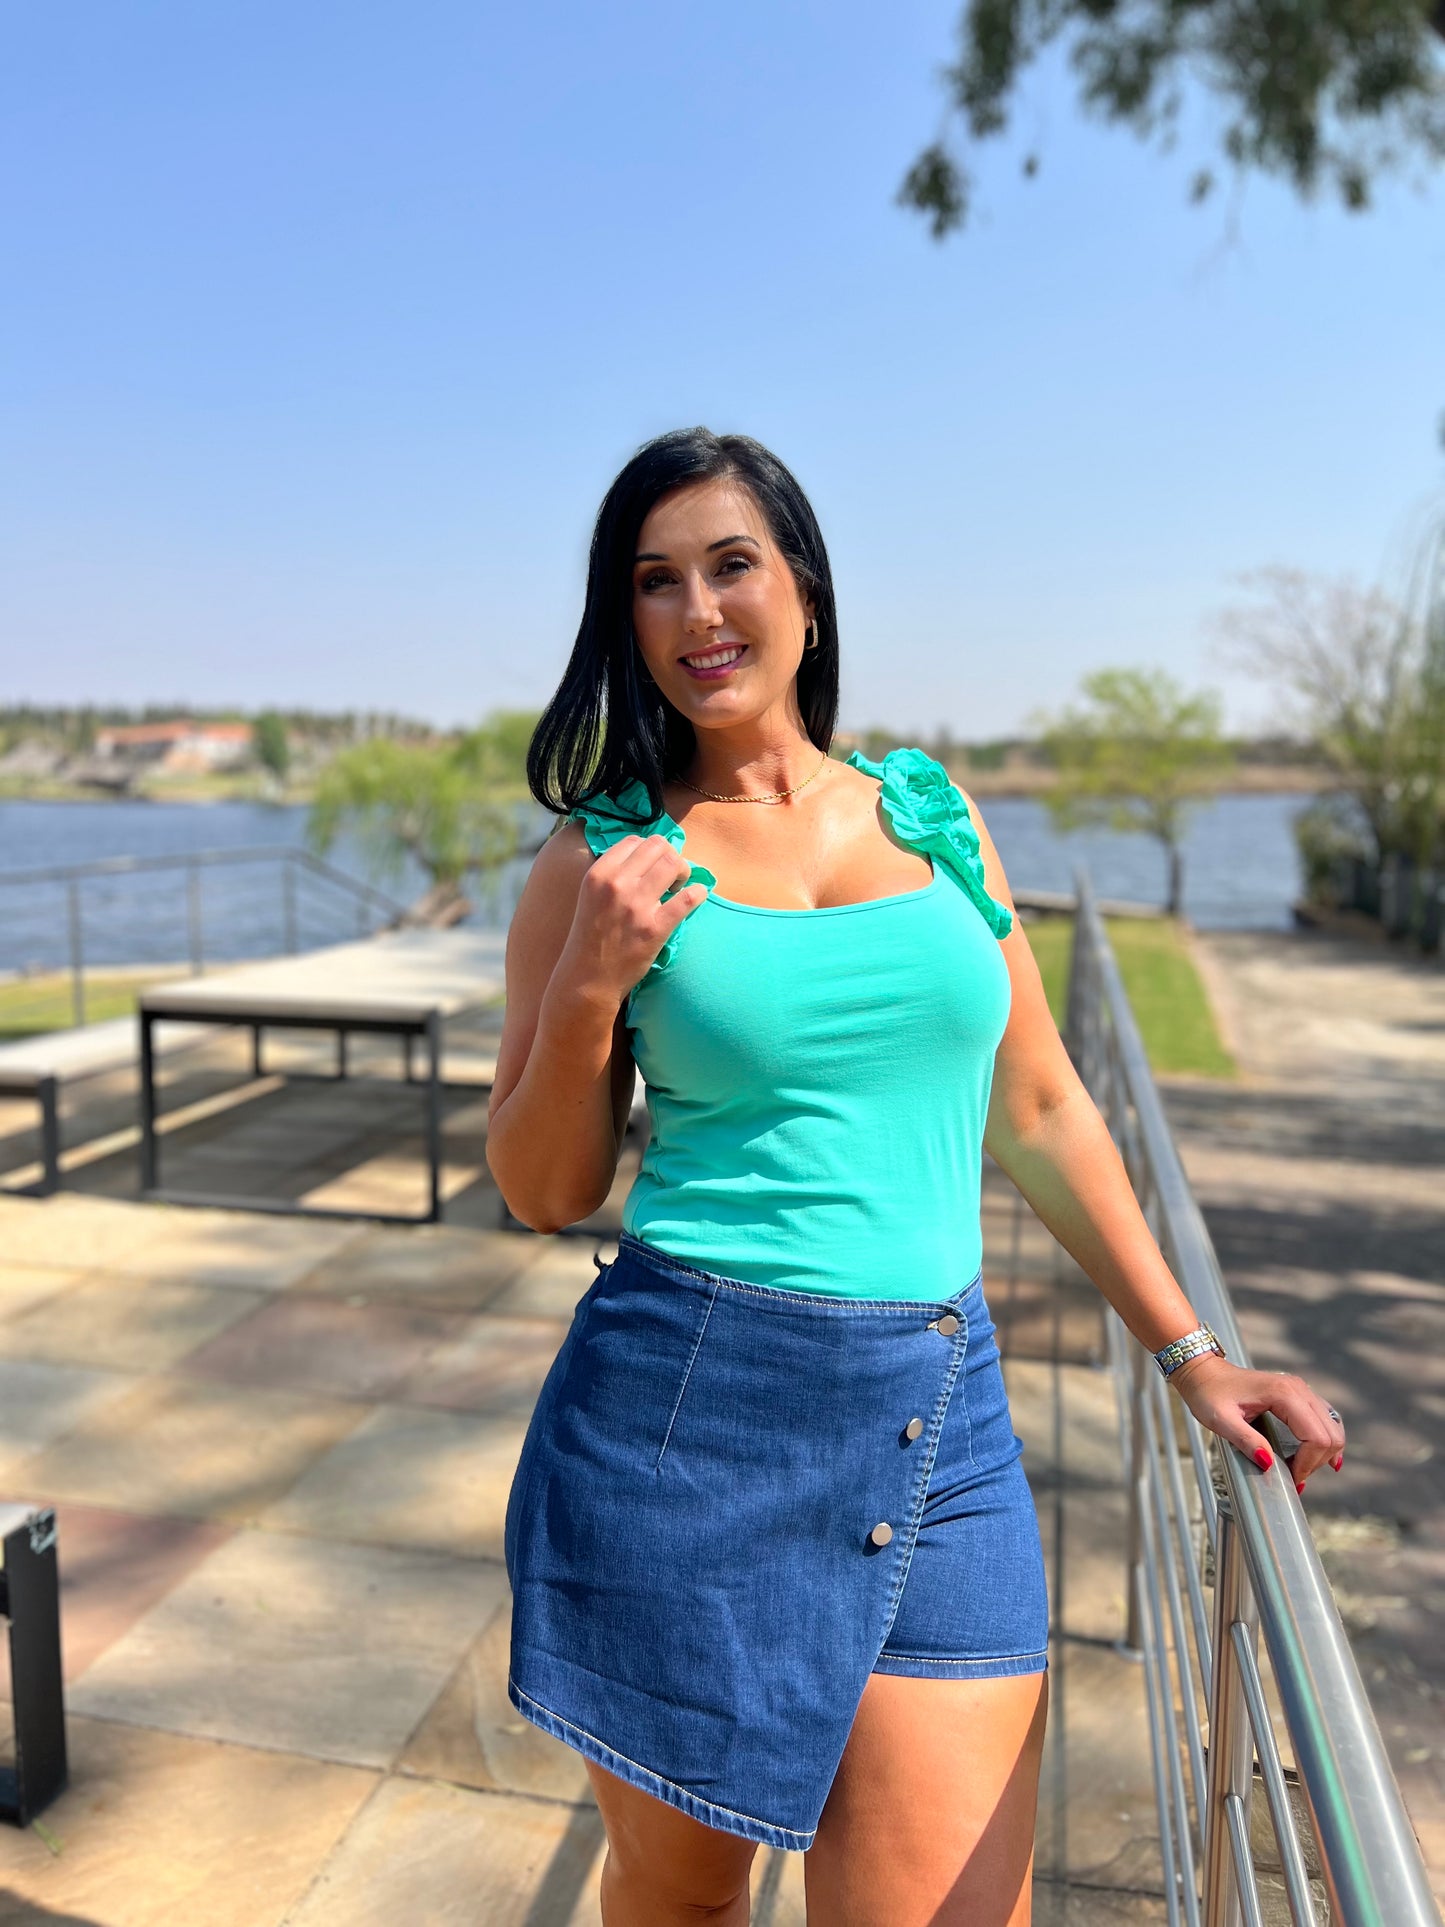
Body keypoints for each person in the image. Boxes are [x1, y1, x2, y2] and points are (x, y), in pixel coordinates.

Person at [485, 427, 1346, 1927]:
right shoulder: (596, 863)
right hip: (687, 1419)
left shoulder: (931, 815)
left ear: (803, 592)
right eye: (653, 580)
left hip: (937, 1416)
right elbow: (543, 1188)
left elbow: (1042, 1105)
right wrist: (582, 990)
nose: (697, 612)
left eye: (729, 565)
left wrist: (1192, 1354)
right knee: (681, 1904)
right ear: (622, 620)